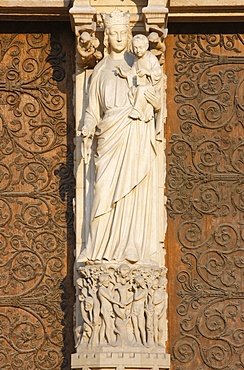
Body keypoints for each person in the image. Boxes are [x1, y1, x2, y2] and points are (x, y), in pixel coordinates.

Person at [78, 9, 162, 265]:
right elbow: (92, 109)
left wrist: (148, 100)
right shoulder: (100, 70)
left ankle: (132, 246)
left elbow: (157, 101)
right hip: (109, 136)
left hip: (135, 131)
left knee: (133, 191)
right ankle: (95, 248)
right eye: (113, 32)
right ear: (106, 37)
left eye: (122, 32)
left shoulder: (140, 64)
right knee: (102, 190)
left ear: (129, 35)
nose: (118, 37)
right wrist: (87, 127)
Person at [117, 34, 162, 122]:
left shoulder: (151, 58)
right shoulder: (136, 59)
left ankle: (137, 110)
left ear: (147, 46)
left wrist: (147, 72)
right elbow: (133, 72)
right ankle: (140, 110)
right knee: (133, 91)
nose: (138, 51)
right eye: (135, 48)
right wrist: (125, 74)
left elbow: (158, 72)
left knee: (141, 89)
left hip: (151, 87)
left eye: (140, 47)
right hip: (141, 84)